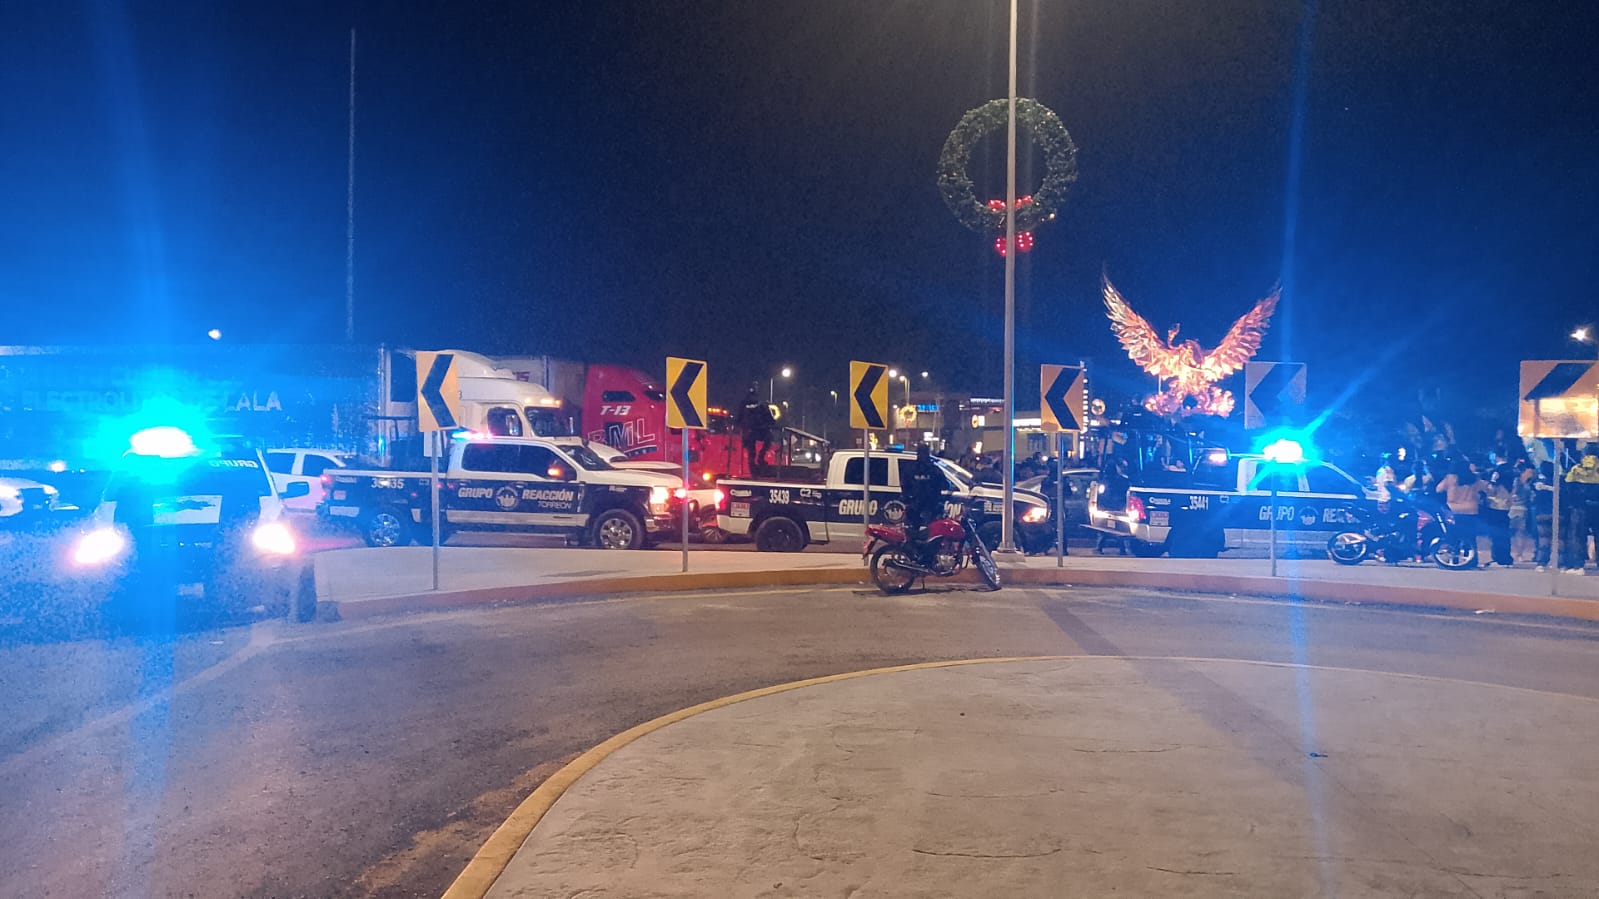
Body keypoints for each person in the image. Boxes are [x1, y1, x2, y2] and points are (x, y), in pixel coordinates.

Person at [1435, 459, 1489, 569]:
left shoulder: (1450, 478)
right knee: (1471, 536)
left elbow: (1438, 489)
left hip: (1454, 510)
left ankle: (1455, 559)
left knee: (1455, 535)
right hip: (1471, 510)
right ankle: (1472, 560)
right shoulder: (1474, 478)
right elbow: (1486, 488)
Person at [901, 444, 947, 563]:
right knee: (932, 535)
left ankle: (913, 557)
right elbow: (945, 484)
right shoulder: (934, 469)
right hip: (930, 507)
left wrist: (908, 500)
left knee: (913, 534)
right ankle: (928, 559)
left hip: (915, 506)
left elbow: (904, 486)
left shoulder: (910, 469)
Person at [1563, 445, 1599, 573]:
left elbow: (1567, 487)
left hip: (1580, 507)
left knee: (1578, 535)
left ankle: (1578, 565)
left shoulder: (1576, 469)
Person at [1481, 461, 1516, 567]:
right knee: (1504, 534)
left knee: (1495, 535)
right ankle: (1506, 558)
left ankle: (1498, 558)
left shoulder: (1497, 481)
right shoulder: (1511, 481)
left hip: (1494, 509)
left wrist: (1491, 482)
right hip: (1505, 509)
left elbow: (1490, 491)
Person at [735, 385, 776, 474]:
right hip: (758, 430)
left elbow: (738, 419)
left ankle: (754, 464)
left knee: (752, 450)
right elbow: (770, 419)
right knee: (767, 440)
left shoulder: (744, 405)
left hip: (750, 431)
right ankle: (759, 459)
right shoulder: (761, 405)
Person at [1533, 461, 1555, 570]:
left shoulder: (1538, 484)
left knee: (1543, 538)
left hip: (1542, 512)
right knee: (1559, 538)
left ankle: (1542, 562)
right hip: (1558, 513)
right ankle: (1558, 561)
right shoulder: (1559, 482)